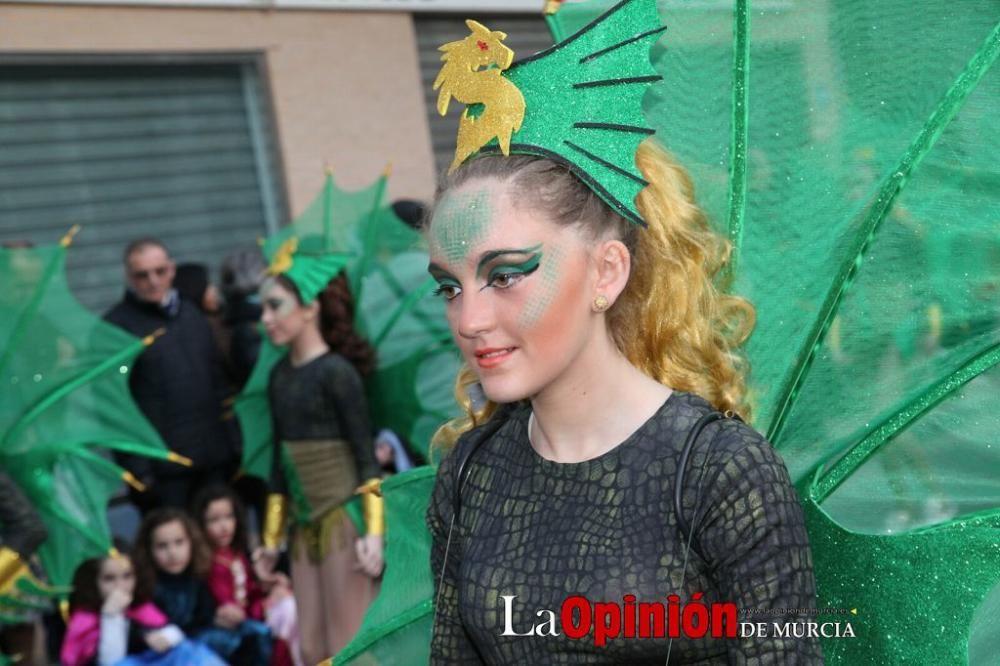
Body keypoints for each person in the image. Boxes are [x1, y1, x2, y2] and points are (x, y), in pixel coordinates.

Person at [422, 2, 821, 661]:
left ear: (606, 272)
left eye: (506, 274)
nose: (468, 321)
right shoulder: (469, 475)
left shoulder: (720, 472)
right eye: (449, 286)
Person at [252, 242, 384, 664]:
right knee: (309, 648)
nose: (265, 318)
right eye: (262, 308)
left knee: (349, 643)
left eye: (275, 306)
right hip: (302, 528)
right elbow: (278, 461)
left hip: (343, 520)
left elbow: (366, 456)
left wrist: (374, 532)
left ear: (310, 307)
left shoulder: (337, 374)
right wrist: (271, 539)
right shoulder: (278, 376)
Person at [104, 239, 238, 511]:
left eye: (160, 271)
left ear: (172, 270)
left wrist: (233, 445)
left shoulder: (191, 314)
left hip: (213, 460)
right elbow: (114, 406)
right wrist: (139, 473)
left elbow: (218, 383)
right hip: (163, 474)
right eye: (142, 275)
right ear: (130, 277)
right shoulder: (116, 329)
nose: (153, 281)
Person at [133, 509, 273, 665]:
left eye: (179, 542)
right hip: (171, 651)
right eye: (162, 546)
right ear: (149, 550)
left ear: (191, 542)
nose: (172, 552)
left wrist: (220, 617)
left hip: (201, 636)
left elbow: (204, 614)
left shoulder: (196, 576)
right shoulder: (148, 585)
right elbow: (141, 629)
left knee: (258, 632)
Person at [192, 484, 300, 666]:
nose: (224, 526)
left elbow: (250, 591)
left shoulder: (238, 554)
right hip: (234, 624)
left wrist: (271, 587)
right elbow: (230, 607)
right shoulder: (206, 562)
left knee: (290, 605)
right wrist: (265, 605)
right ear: (201, 525)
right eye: (214, 520)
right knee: (287, 610)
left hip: (252, 614)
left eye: (229, 516)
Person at [60, 548, 225, 666]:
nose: (120, 586)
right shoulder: (85, 618)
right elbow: (110, 661)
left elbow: (173, 631)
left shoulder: (141, 606)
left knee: (189, 650)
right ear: (93, 582)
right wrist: (111, 616)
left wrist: (165, 638)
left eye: (127, 576)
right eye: (109, 579)